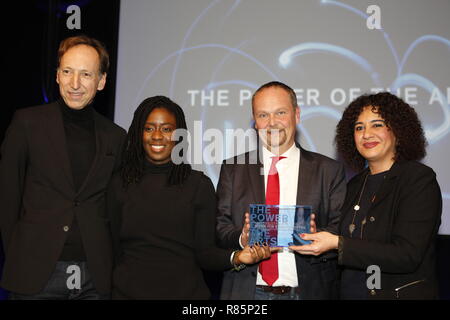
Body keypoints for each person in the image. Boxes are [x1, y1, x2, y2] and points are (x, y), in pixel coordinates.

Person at [107, 96, 273, 299]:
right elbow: (111, 251)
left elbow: (205, 254)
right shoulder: (119, 184)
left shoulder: (198, 185)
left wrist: (237, 257)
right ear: (138, 133)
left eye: (167, 129)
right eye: (149, 128)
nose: (157, 136)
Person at [0, 35, 126, 299]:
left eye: (86, 74)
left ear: (101, 81)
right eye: (67, 71)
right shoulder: (27, 124)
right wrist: (18, 254)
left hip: (94, 275)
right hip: (35, 272)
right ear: (57, 76)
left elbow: (115, 208)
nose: (75, 83)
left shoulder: (116, 137)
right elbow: (8, 198)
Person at [290, 92, 442, 299]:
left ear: (398, 130)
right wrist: (316, 237)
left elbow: (406, 255)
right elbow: (350, 245)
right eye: (359, 127)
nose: (366, 134)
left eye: (377, 125)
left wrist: (337, 243)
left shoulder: (417, 179)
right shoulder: (354, 185)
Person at [216, 81, 347, 300]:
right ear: (255, 122)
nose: (272, 123)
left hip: (308, 291)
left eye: (280, 112)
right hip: (247, 293)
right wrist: (242, 237)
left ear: (296, 115)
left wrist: (318, 236)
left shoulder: (328, 170)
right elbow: (219, 229)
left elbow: (341, 230)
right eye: (263, 115)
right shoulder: (233, 169)